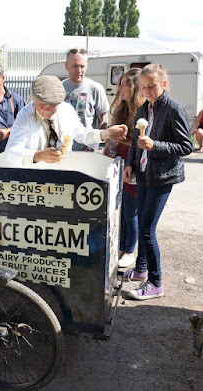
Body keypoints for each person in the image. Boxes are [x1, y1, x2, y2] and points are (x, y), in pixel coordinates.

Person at [123, 64, 193, 300]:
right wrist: (130, 164)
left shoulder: (173, 110)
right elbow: (135, 140)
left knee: (146, 229)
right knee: (142, 224)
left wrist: (156, 145)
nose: (147, 91)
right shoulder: (143, 109)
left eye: (151, 86)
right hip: (143, 174)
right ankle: (141, 270)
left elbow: (186, 146)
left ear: (164, 84)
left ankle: (156, 282)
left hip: (163, 178)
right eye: (143, 87)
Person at [5, 75, 127, 166]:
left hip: (62, 173)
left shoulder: (66, 110)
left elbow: (82, 134)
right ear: (33, 98)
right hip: (33, 178)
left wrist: (104, 134)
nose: (49, 110)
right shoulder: (25, 116)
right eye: (43, 105)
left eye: (54, 105)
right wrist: (39, 155)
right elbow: (11, 152)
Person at [105, 68, 144, 268]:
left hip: (134, 166)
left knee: (131, 212)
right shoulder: (121, 108)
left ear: (134, 87)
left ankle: (130, 251)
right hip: (118, 164)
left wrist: (126, 139)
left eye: (124, 84)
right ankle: (120, 247)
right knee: (118, 210)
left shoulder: (141, 110)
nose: (120, 88)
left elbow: (139, 143)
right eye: (119, 84)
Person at [63, 48, 110, 151]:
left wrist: (91, 146)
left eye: (82, 66)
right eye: (75, 66)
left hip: (86, 150)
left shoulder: (95, 88)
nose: (79, 71)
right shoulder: (59, 88)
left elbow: (104, 121)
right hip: (62, 149)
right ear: (67, 66)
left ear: (87, 66)